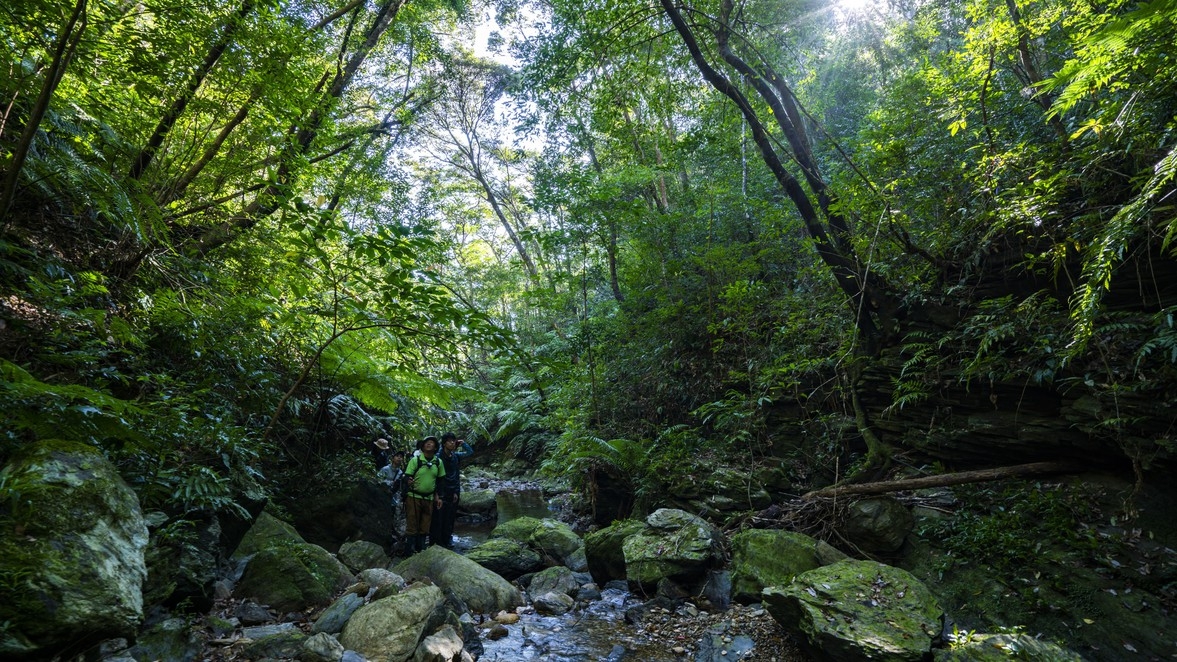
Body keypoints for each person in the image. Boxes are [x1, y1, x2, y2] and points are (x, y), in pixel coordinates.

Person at [430, 432, 473, 549]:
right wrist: (437, 494)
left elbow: (470, 452)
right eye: (449, 441)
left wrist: (463, 443)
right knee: (439, 517)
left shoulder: (455, 456)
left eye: (454, 441)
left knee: (450, 516)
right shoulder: (438, 456)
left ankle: (447, 539)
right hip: (442, 490)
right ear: (444, 444)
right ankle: (437, 541)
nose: (453, 443)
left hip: (454, 490)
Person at [403, 436, 445, 553]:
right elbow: (406, 476)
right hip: (413, 497)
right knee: (412, 523)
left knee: (425, 524)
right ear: (422, 446)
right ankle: (408, 551)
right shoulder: (415, 460)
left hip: (429, 498)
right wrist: (408, 480)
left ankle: (420, 549)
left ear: (436, 447)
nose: (429, 444)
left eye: (431, 443)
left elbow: (441, 480)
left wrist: (440, 497)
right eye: (426, 443)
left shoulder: (438, 462)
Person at [376, 449, 407, 544]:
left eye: (401, 457)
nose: (399, 458)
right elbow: (378, 480)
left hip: (394, 499)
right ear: (393, 458)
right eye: (397, 456)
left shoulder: (401, 472)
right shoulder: (385, 469)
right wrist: (391, 483)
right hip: (383, 496)